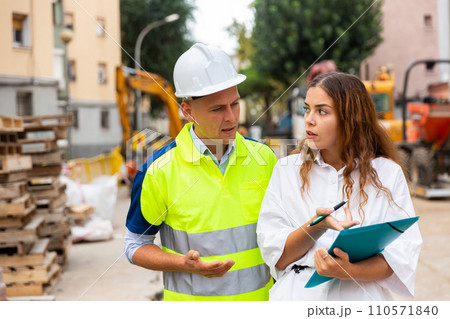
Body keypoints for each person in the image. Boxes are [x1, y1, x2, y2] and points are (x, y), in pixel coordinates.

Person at [124, 43, 277, 301]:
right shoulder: (157, 170)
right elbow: (135, 245)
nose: (231, 117)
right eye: (217, 109)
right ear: (187, 111)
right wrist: (183, 263)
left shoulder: (264, 158)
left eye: (235, 104)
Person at [256, 72, 422, 301]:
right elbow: (277, 256)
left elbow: (400, 255)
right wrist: (316, 226)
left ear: (351, 118)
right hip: (297, 298)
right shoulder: (286, 170)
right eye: (307, 109)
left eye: (321, 111)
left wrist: (350, 271)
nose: (309, 119)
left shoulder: (387, 173)